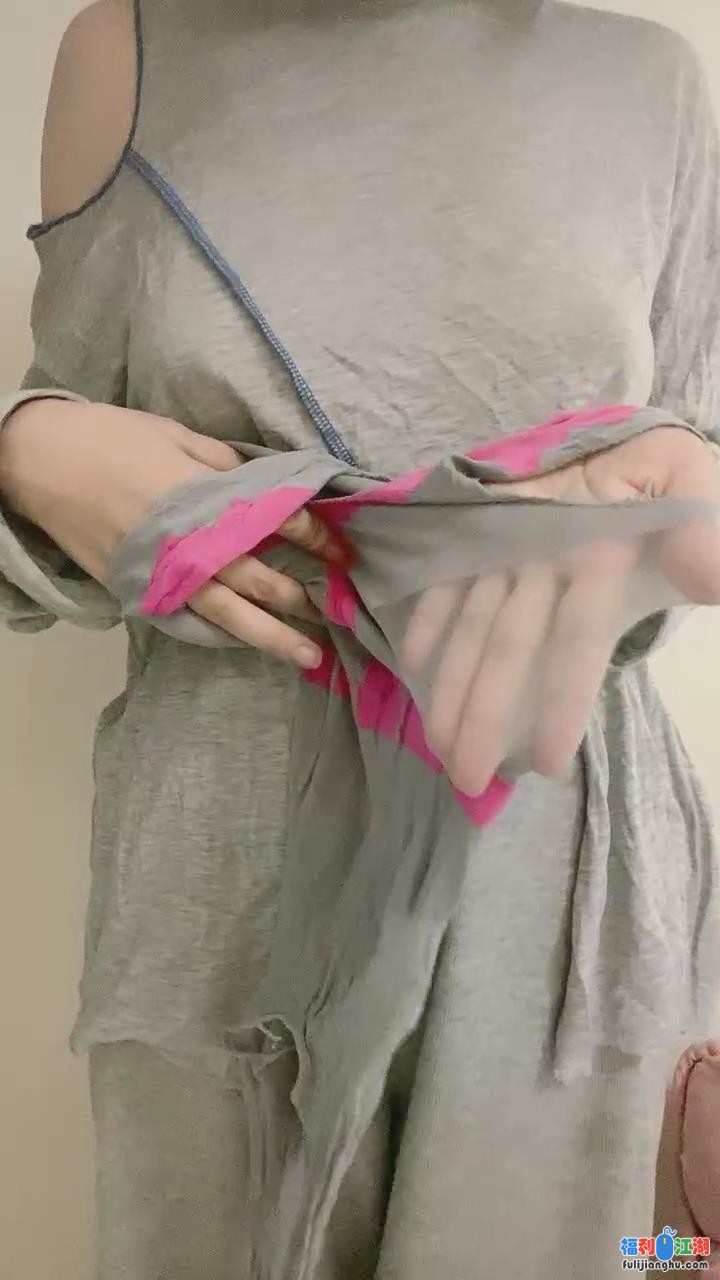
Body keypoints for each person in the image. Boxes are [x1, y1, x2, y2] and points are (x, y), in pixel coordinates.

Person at [2, 0, 720, 1275]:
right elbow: (88, 463)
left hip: (569, 883)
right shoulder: (126, 48)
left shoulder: (649, 81)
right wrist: (25, 447)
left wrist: (675, 497)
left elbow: (695, 443)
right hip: (226, 874)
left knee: (620, 1250)